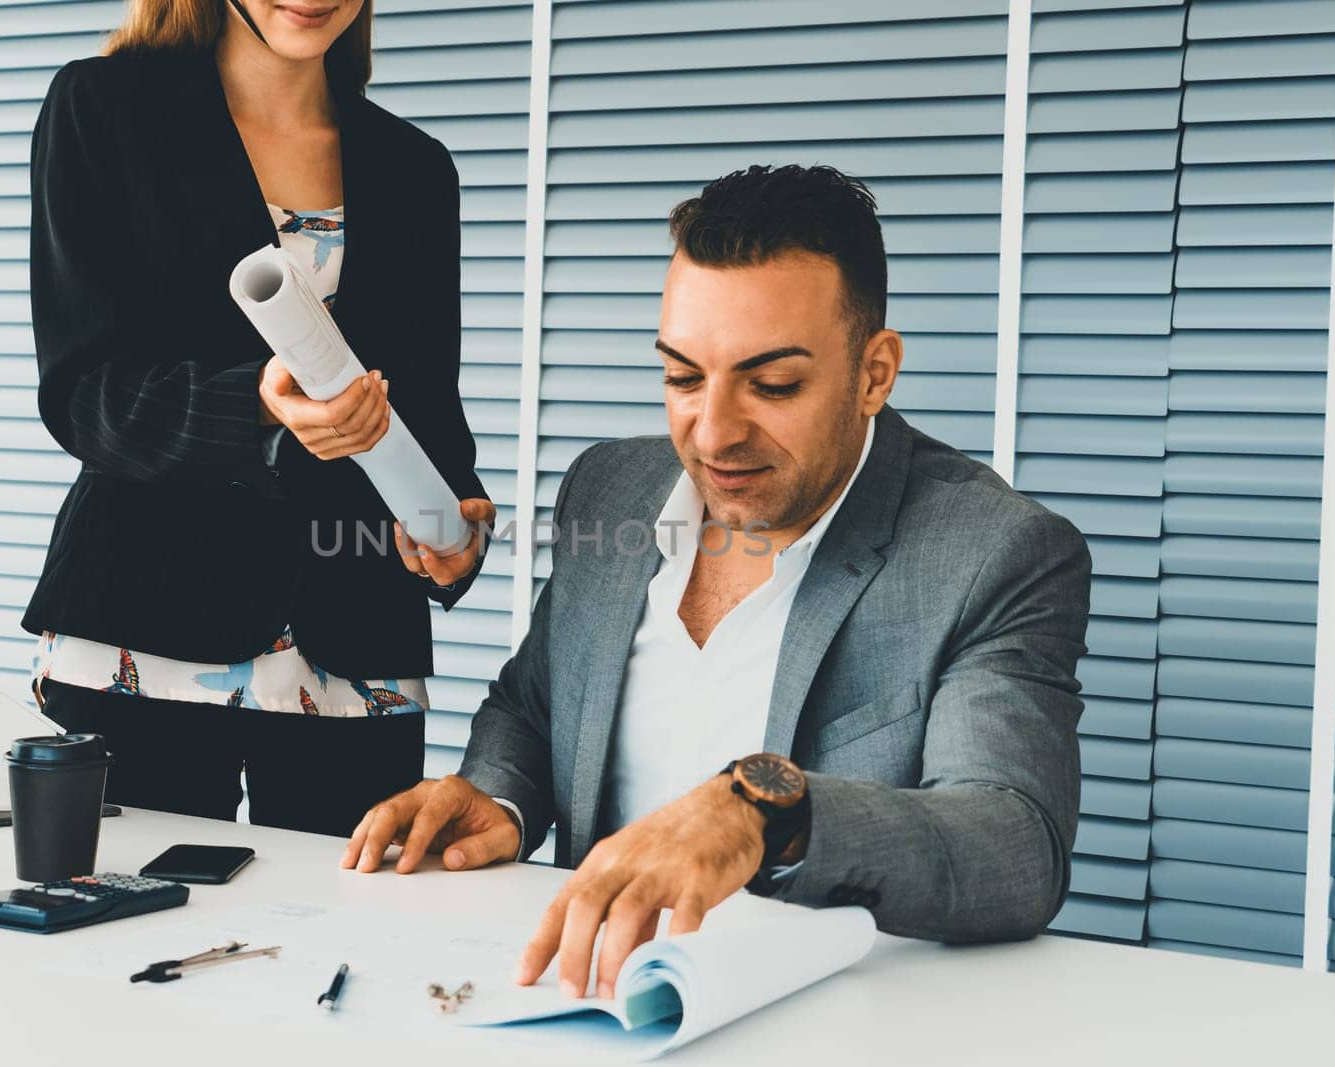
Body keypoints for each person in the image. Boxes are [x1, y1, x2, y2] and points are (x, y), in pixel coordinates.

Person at [342, 164, 1093, 998]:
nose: (715, 432)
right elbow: (537, 705)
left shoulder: (996, 550)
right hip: (581, 1007)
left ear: (875, 372)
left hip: (824, 1024)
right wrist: (498, 799)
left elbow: (1014, 843)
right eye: (682, 377)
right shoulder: (609, 488)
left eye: (773, 384)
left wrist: (765, 810)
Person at [21, 0, 494, 838]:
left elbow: (427, 414)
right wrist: (257, 409)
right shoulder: (104, 109)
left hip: (356, 647)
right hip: (147, 628)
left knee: (347, 951)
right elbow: (82, 392)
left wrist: (453, 530)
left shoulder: (417, 168)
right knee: (118, 944)